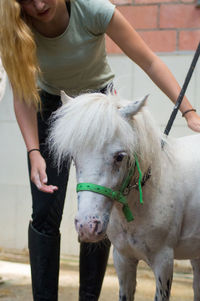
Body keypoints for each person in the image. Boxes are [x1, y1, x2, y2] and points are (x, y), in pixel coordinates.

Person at [0, 0, 200, 300]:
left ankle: (89, 297)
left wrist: (188, 111)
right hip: (50, 107)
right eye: (27, 0)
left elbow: (149, 61)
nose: (39, 4)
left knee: (100, 201)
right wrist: (34, 152)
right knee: (44, 212)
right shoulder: (14, 26)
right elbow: (22, 93)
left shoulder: (92, 9)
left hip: (98, 104)